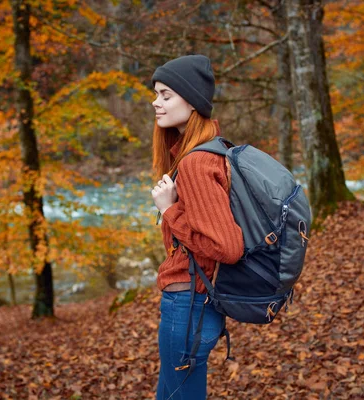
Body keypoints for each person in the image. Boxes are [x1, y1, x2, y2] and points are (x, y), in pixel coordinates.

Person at [150, 55, 244, 400]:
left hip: (188, 306)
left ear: (191, 101)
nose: (155, 102)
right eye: (156, 94)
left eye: (165, 95)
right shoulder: (205, 153)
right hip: (193, 305)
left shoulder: (196, 163)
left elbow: (227, 247)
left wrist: (170, 211)